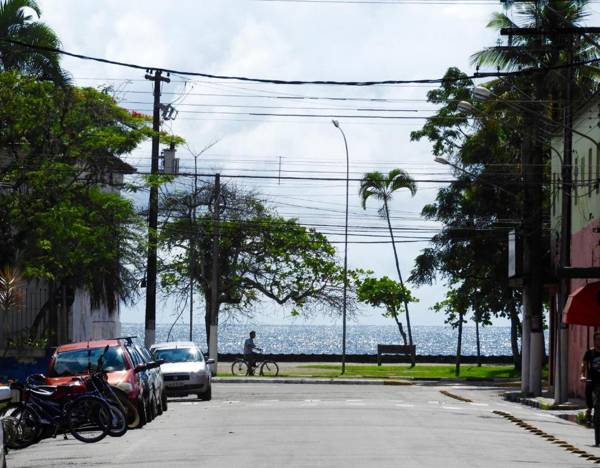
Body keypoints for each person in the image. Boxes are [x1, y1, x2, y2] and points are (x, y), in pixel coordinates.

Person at [581, 332, 600, 423]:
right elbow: (583, 365)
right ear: (594, 340)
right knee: (588, 392)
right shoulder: (589, 352)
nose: (599, 341)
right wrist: (582, 375)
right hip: (591, 378)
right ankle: (589, 410)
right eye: (597, 339)